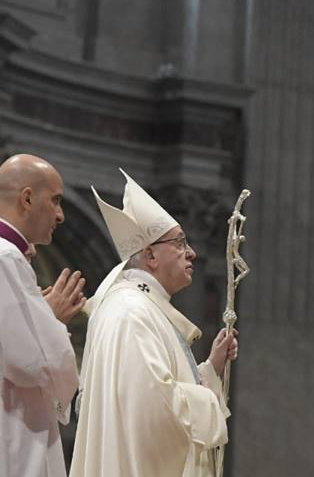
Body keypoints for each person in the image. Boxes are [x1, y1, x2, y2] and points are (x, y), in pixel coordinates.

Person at [70, 169, 238, 477]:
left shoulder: (142, 307)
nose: (192, 253)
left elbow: (154, 389)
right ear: (150, 255)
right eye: (180, 243)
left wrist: (210, 370)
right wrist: (208, 400)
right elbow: (152, 409)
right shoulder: (131, 312)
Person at [0, 154, 85, 477]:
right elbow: (29, 363)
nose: (61, 215)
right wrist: (53, 323)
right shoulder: (7, 259)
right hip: (15, 428)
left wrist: (41, 319)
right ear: (27, 198)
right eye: (56, 201)